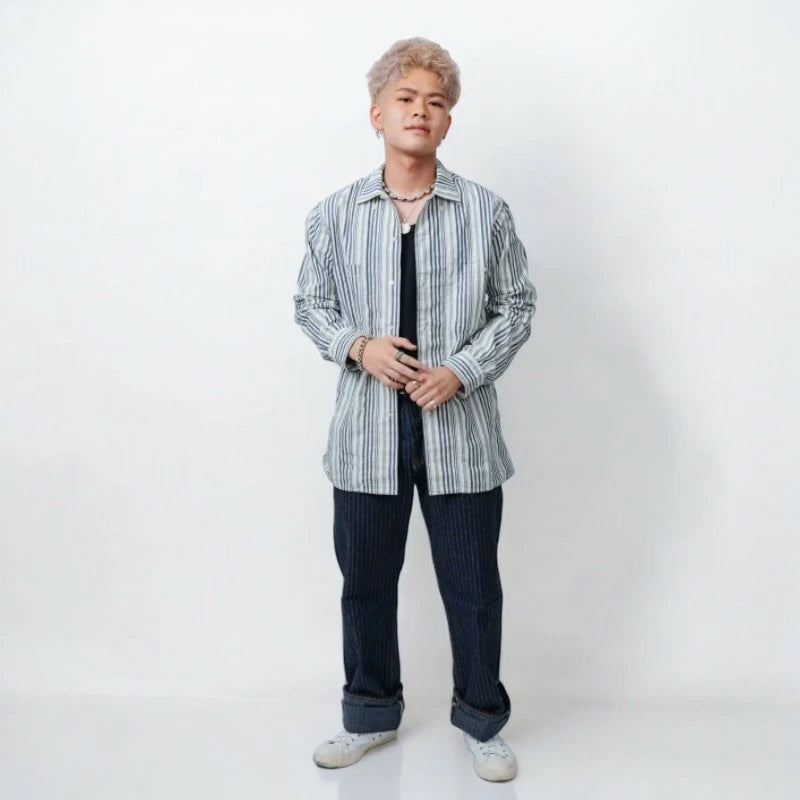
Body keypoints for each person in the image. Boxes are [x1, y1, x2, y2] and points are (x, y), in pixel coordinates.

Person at [293, 36, 536, 783]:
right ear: (377, 113)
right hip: (366, 437)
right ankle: (369, 714)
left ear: (448, 120)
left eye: (435, 101)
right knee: (365, 585)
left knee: (474, 588)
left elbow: (517, 306)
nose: (420, 111)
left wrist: (463, 370)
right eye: (406, 98)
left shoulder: (485, 211)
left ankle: (482, 721)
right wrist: (357, 346)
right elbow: (310, 304)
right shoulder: (334, 214)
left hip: (460, 437)